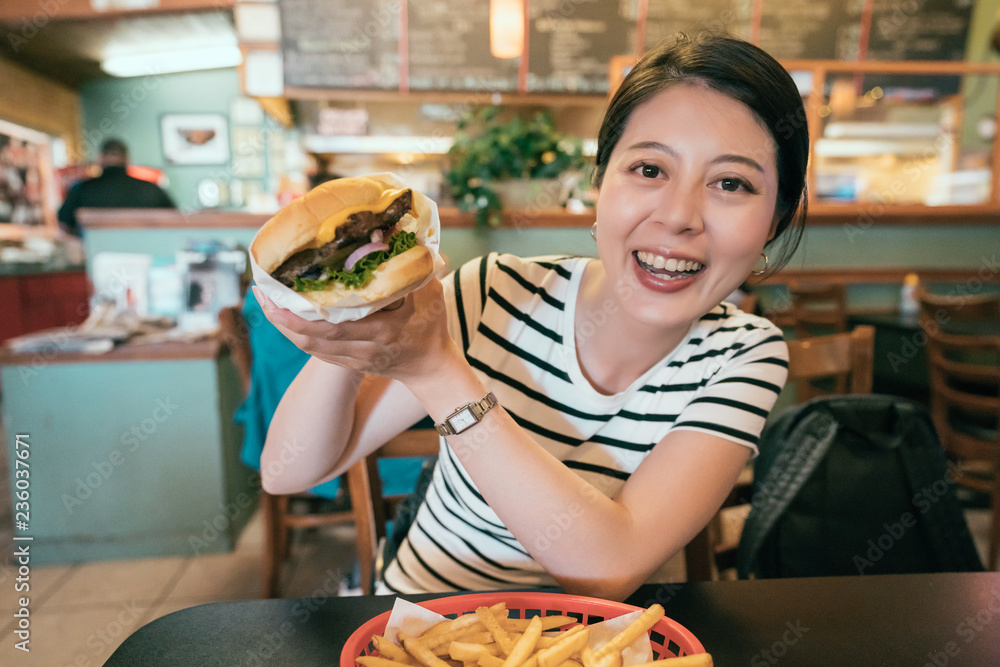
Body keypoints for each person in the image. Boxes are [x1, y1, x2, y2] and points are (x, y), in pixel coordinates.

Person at [254, 32, 809, 601]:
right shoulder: (496, 291)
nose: (678, 216)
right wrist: (359, 314)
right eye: (648, 170)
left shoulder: (746, 354)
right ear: (599, 183)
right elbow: (287, 472)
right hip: (421, 625)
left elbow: (608, 568)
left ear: (775, 222)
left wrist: (436, 373)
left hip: (590, 645)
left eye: (731, 183)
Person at [57, 138, 175, 236]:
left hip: (96, 257)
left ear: (100, 158)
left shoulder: (81, 189)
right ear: (127, 159)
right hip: (147, 255)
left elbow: (64, 225)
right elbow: (174, 219)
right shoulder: (152, 189)